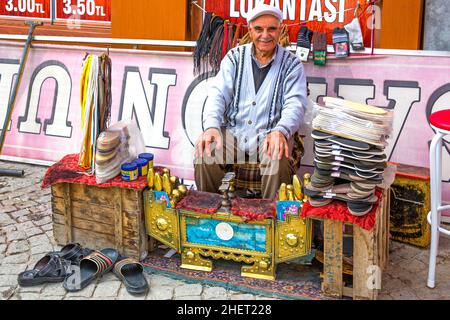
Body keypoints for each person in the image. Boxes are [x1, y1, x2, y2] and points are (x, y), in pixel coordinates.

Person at [194, 3, 308, 199]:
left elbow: (295, 104)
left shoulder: (292, 64)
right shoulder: (234, 57)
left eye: (271, 29)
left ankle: (271, 220)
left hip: (269, 135)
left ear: (280, 30)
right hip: (234, 133)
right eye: (259, 29)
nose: (265, 35)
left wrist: (281, 131)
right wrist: (211, 126)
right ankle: (209, 212)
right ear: (250, 30)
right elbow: (218, 94)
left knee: (277, 155)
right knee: (207, 152)